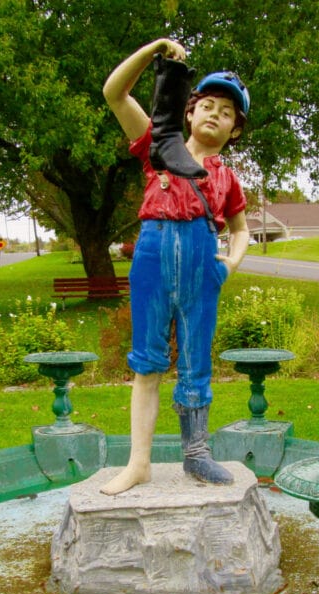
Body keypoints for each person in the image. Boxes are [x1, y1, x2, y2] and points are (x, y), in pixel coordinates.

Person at [100, 38, 251, 496]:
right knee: (147, 363)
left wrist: (231, 264)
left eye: (227, 113)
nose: (215, 115)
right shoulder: (155, 146)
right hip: (152, 256)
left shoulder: (226, 178)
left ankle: (196, 455)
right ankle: (138, 463)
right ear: (188, 111)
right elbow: (114, 94)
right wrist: (152, 52)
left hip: (202, 264)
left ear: (235, 131)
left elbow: (241, 229)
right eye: (207, 105)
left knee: (195, 362)